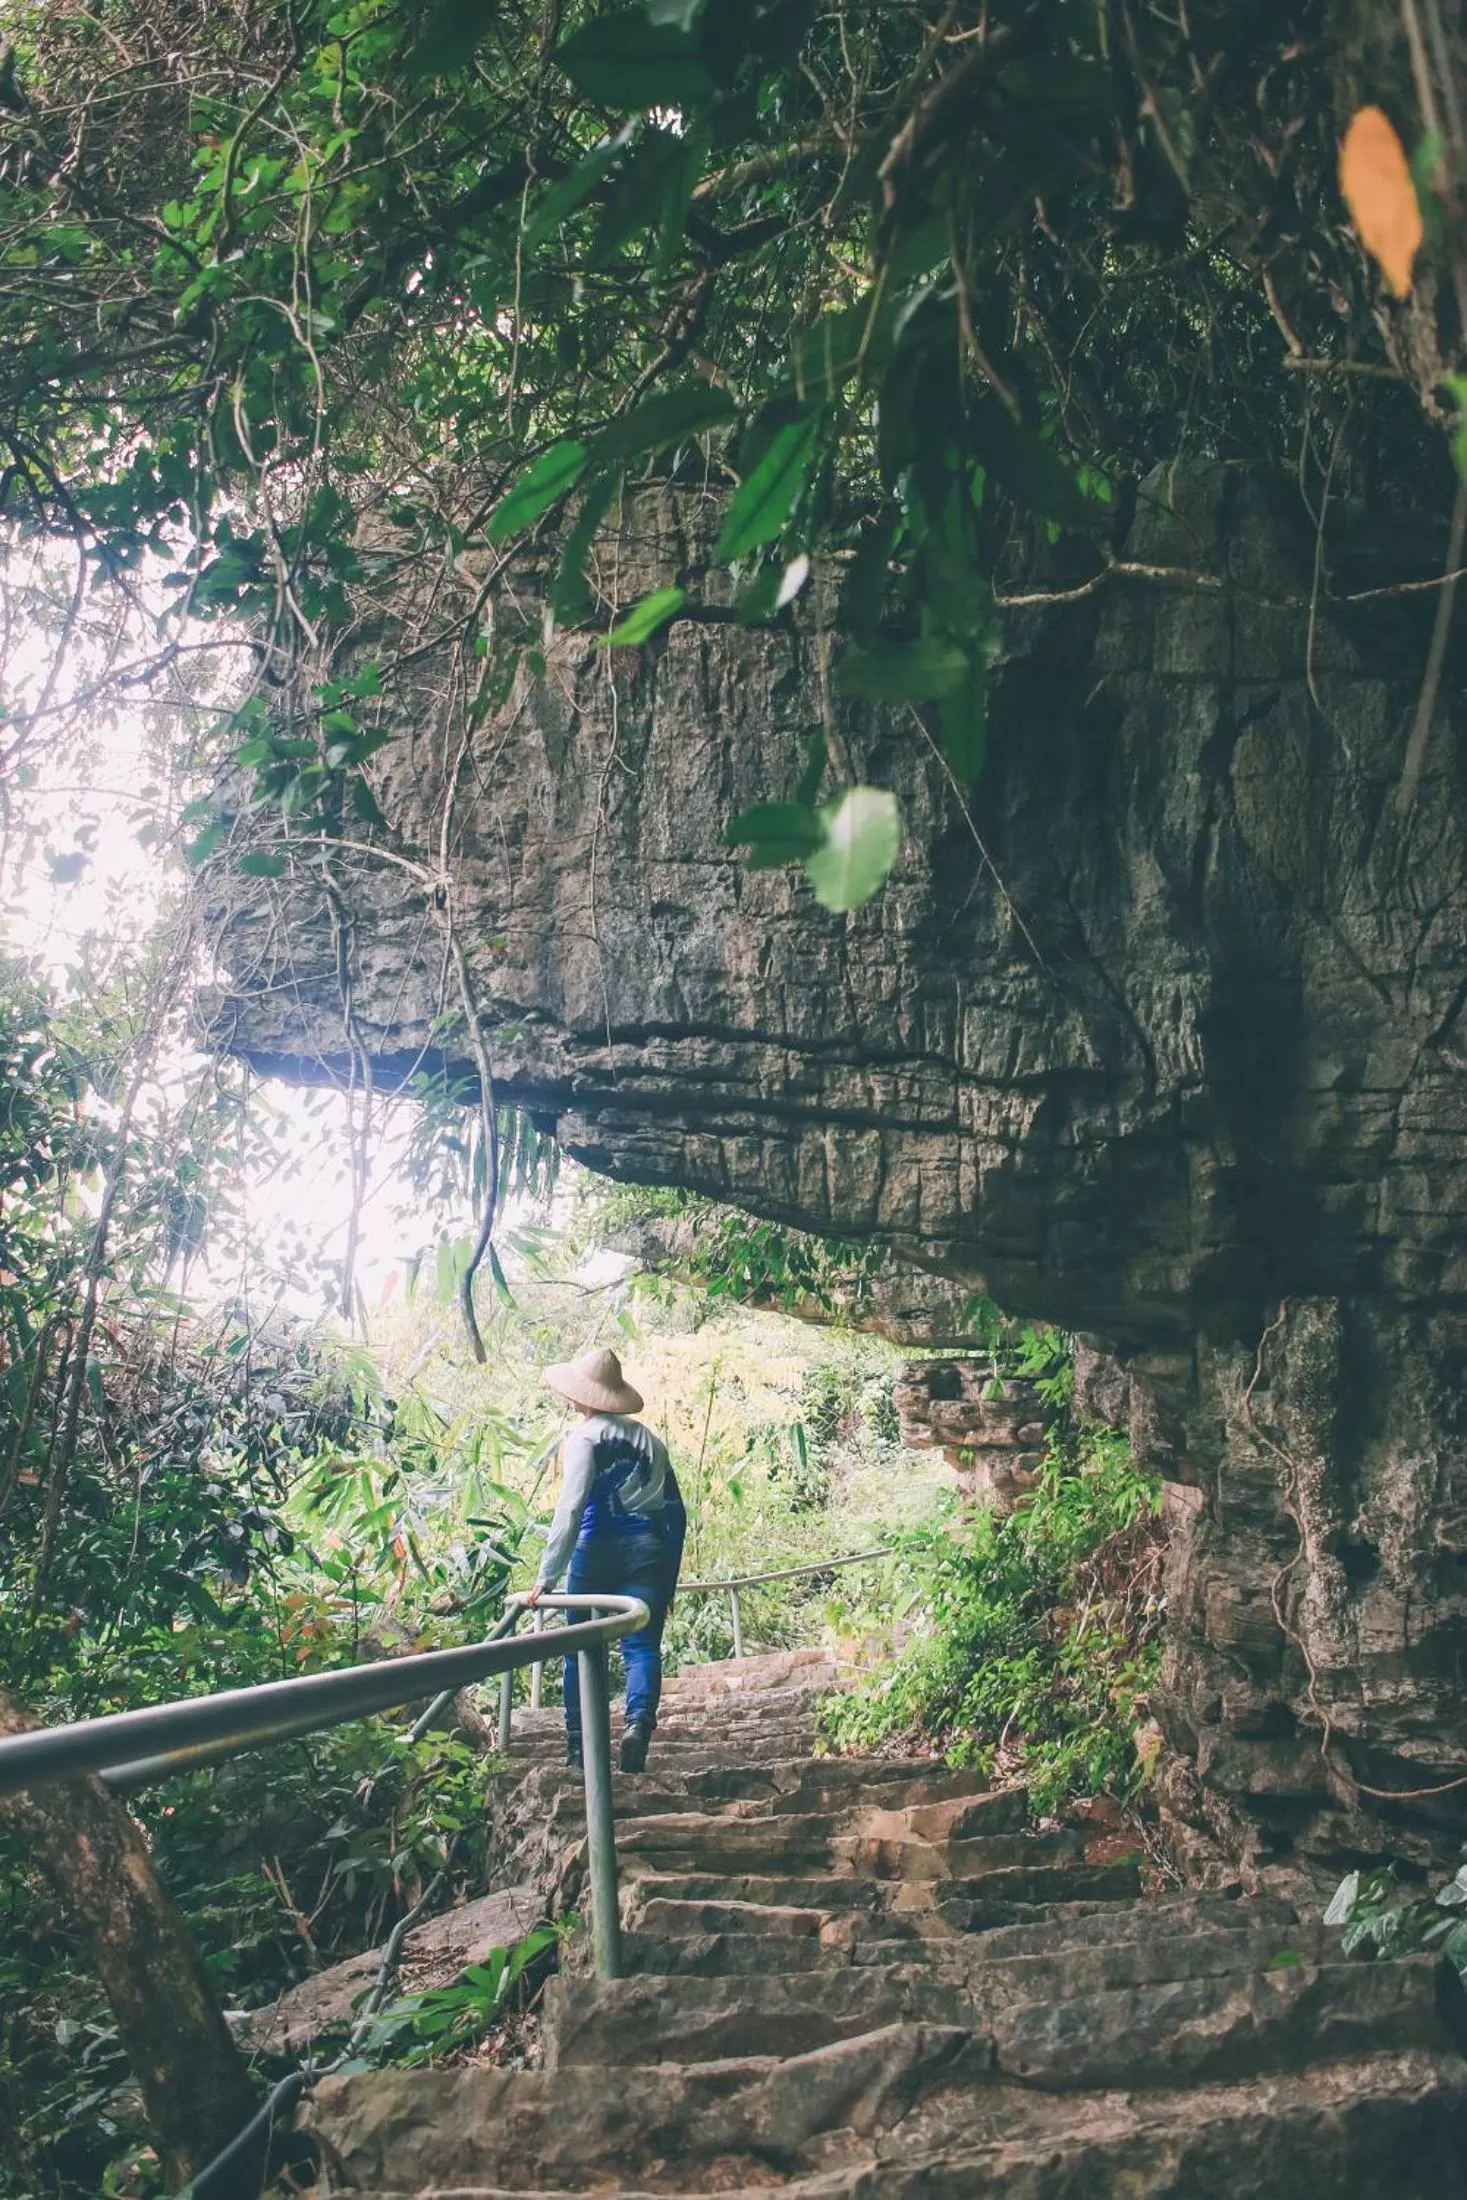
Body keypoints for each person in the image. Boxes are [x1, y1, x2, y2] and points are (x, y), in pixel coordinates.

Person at [523, 1346, 686, 1775]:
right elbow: (675, 1513)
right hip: (649, 1551)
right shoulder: (652, 1442)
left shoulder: (583, 1439)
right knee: (642, 1647)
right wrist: (667, 1583)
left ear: (584, 1396)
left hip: (594, 1553)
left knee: (579, 1649)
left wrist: (548, 1575)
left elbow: (571, 1507)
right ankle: (637, 1727)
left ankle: (580, 1751)